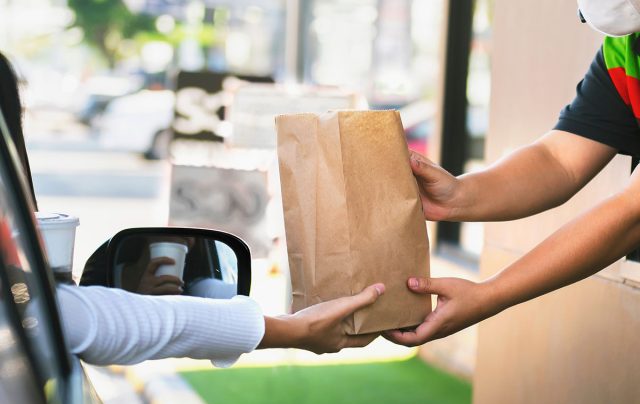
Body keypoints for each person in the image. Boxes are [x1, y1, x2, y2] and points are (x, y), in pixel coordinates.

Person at [0, 50, 384, 366]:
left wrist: (289, 327)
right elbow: (81, 317)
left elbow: (91, 315)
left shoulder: (208, 281)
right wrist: (292, 330)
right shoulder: (28, 301)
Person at [385, 0, 640, 347]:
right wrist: (458, 195)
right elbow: (559, 160)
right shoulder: (625, 50)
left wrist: (491, 294)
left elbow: (633, 212)